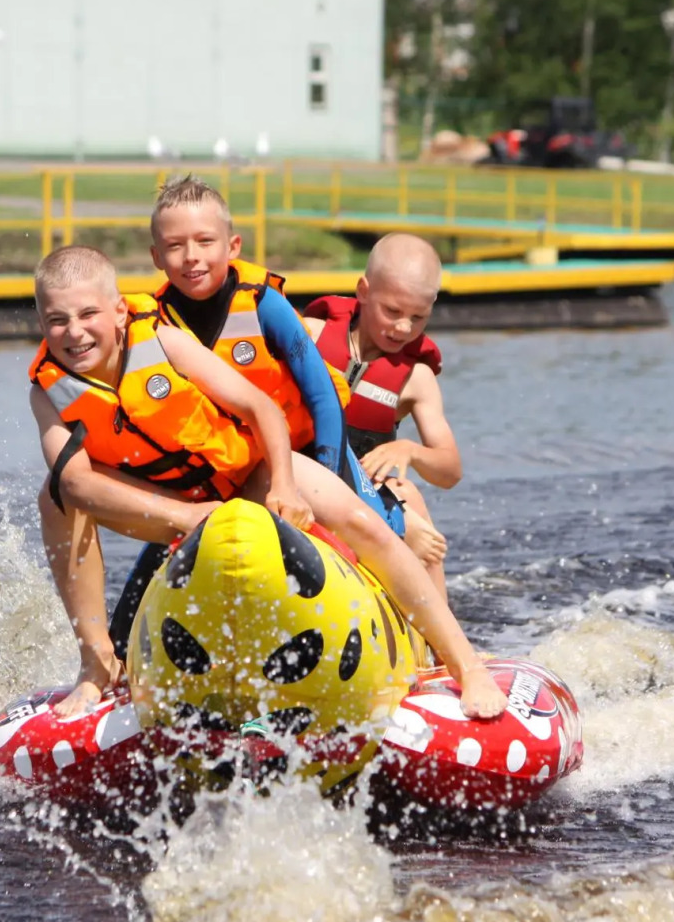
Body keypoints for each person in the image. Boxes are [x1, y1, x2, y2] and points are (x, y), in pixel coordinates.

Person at [27, 244, 505, 723]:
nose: (74, 332)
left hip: (245, 477)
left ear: (116, 310)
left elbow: (261, 407)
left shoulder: (162, 340)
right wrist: (187, 516)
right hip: (170, 505)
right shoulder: (48, 390)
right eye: (57, 320)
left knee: (364, 522)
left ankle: (463, 665)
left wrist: (284, 484)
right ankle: (97, 664)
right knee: (55, 497)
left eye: (87, 314)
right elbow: (76, 485)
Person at [304, 233, 461, 597]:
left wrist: (410, 451)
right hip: (301, 479)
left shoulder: (415, 379)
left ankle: (440, 639)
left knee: (411, 497)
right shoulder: (309, 336)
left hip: (365, 491)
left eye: (418, 317)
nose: (404, 328)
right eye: (392, 311)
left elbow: (450, 470)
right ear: (363, 290)